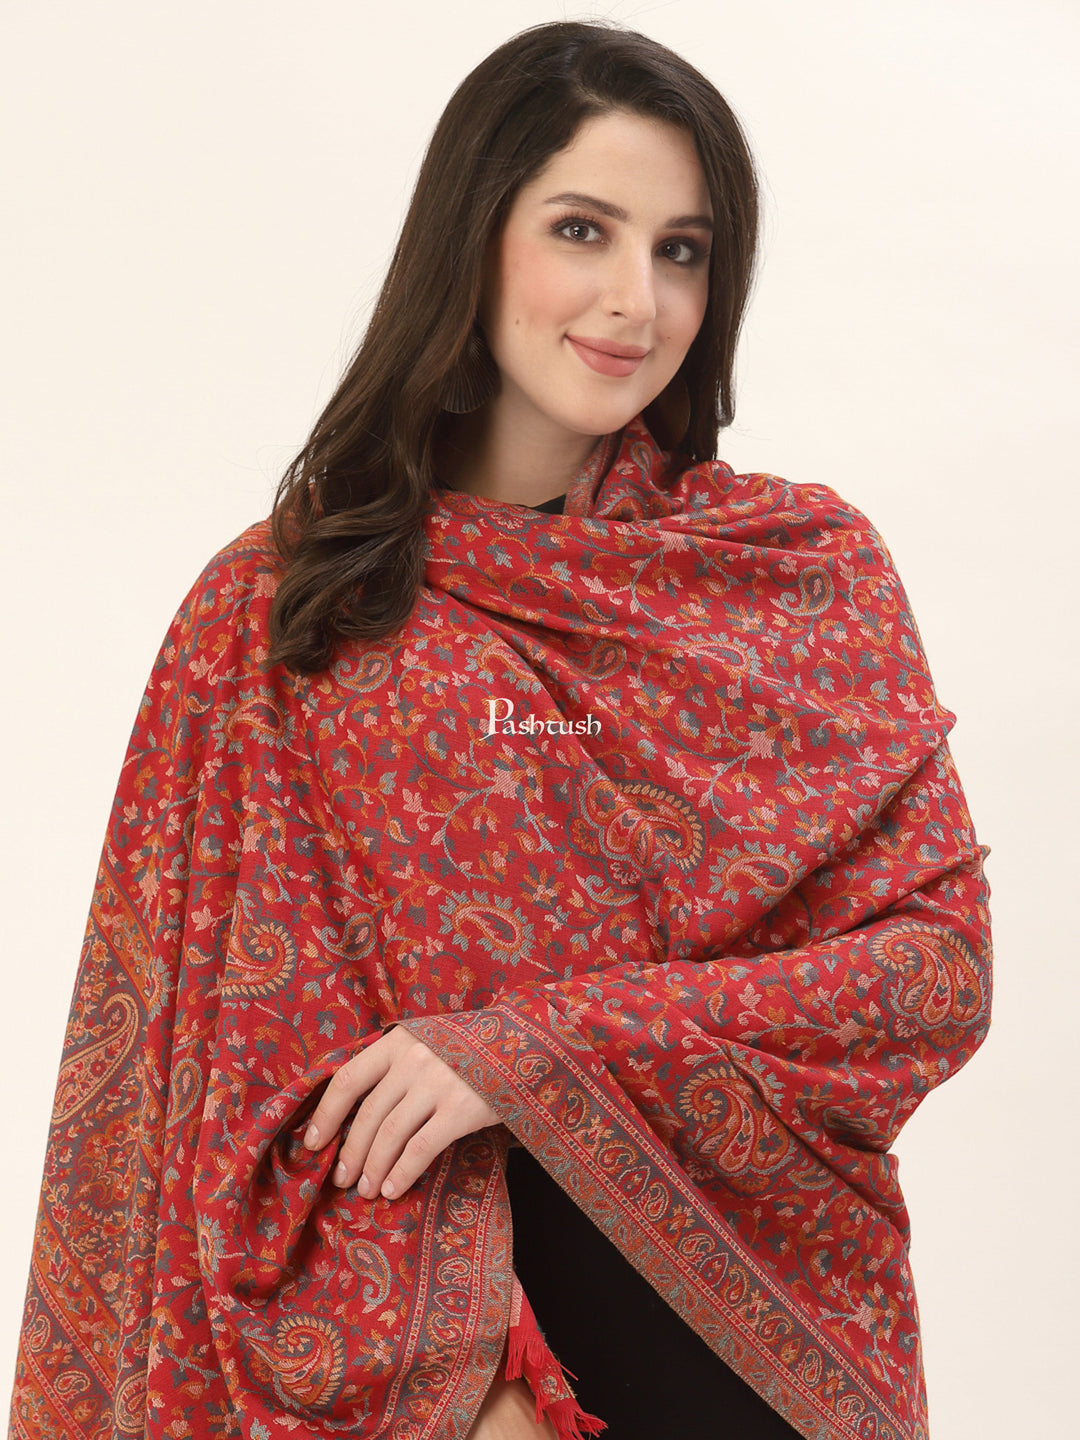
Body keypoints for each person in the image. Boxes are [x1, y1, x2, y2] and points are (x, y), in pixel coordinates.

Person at [8, 20, 992, 1440]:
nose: (635, 301)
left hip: (767, 1350)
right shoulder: (287, 615)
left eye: (682, 250)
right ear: (472, 241)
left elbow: (935, 976)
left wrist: (528, 1045)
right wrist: (481, 1394)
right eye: (582, 230)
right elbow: (226, 1088)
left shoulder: (794, 576)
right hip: (436, 1382)